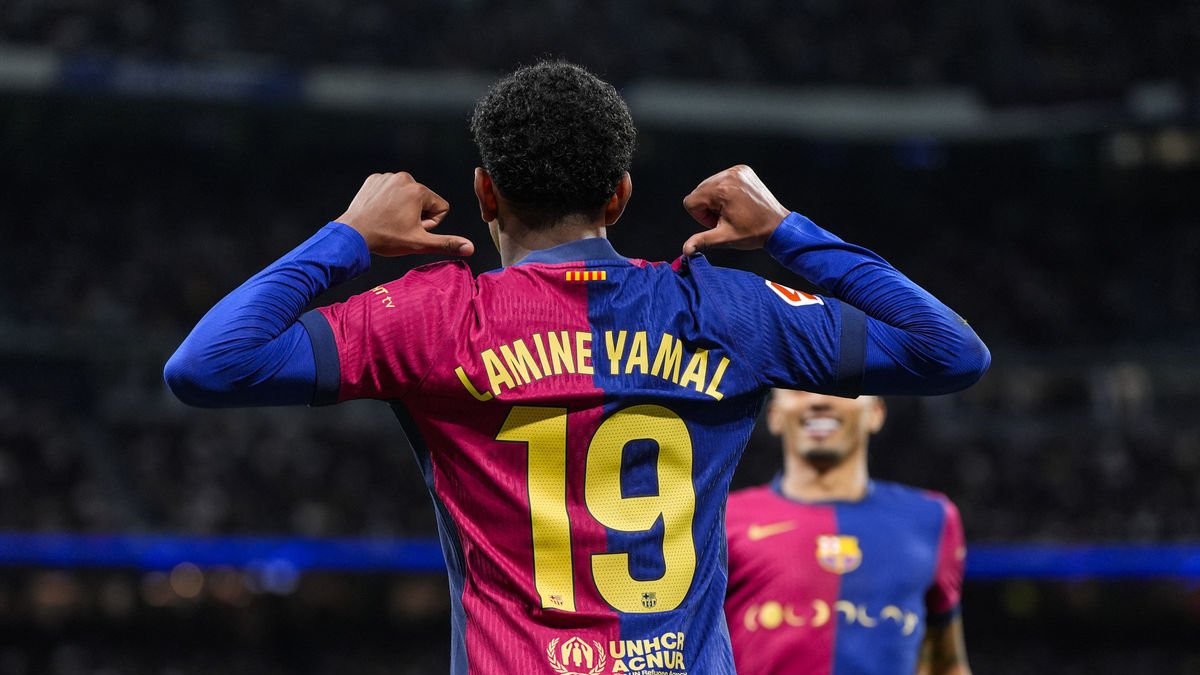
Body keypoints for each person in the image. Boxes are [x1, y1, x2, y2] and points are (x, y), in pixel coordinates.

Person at [164, 61, 989, 675]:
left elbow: (208, 364)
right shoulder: (722, 308)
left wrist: (346, 236)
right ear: (620, 195)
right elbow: (951, 351)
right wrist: (786, 231)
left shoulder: (436, 315)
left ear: (485, 195)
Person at [725, 390, 972, 675]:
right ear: (774, 415)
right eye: (799, 389)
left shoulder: (932, 519)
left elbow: (947, 665)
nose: (818, 400)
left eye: (842, 388)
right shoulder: (724, 521)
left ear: (877, 412)